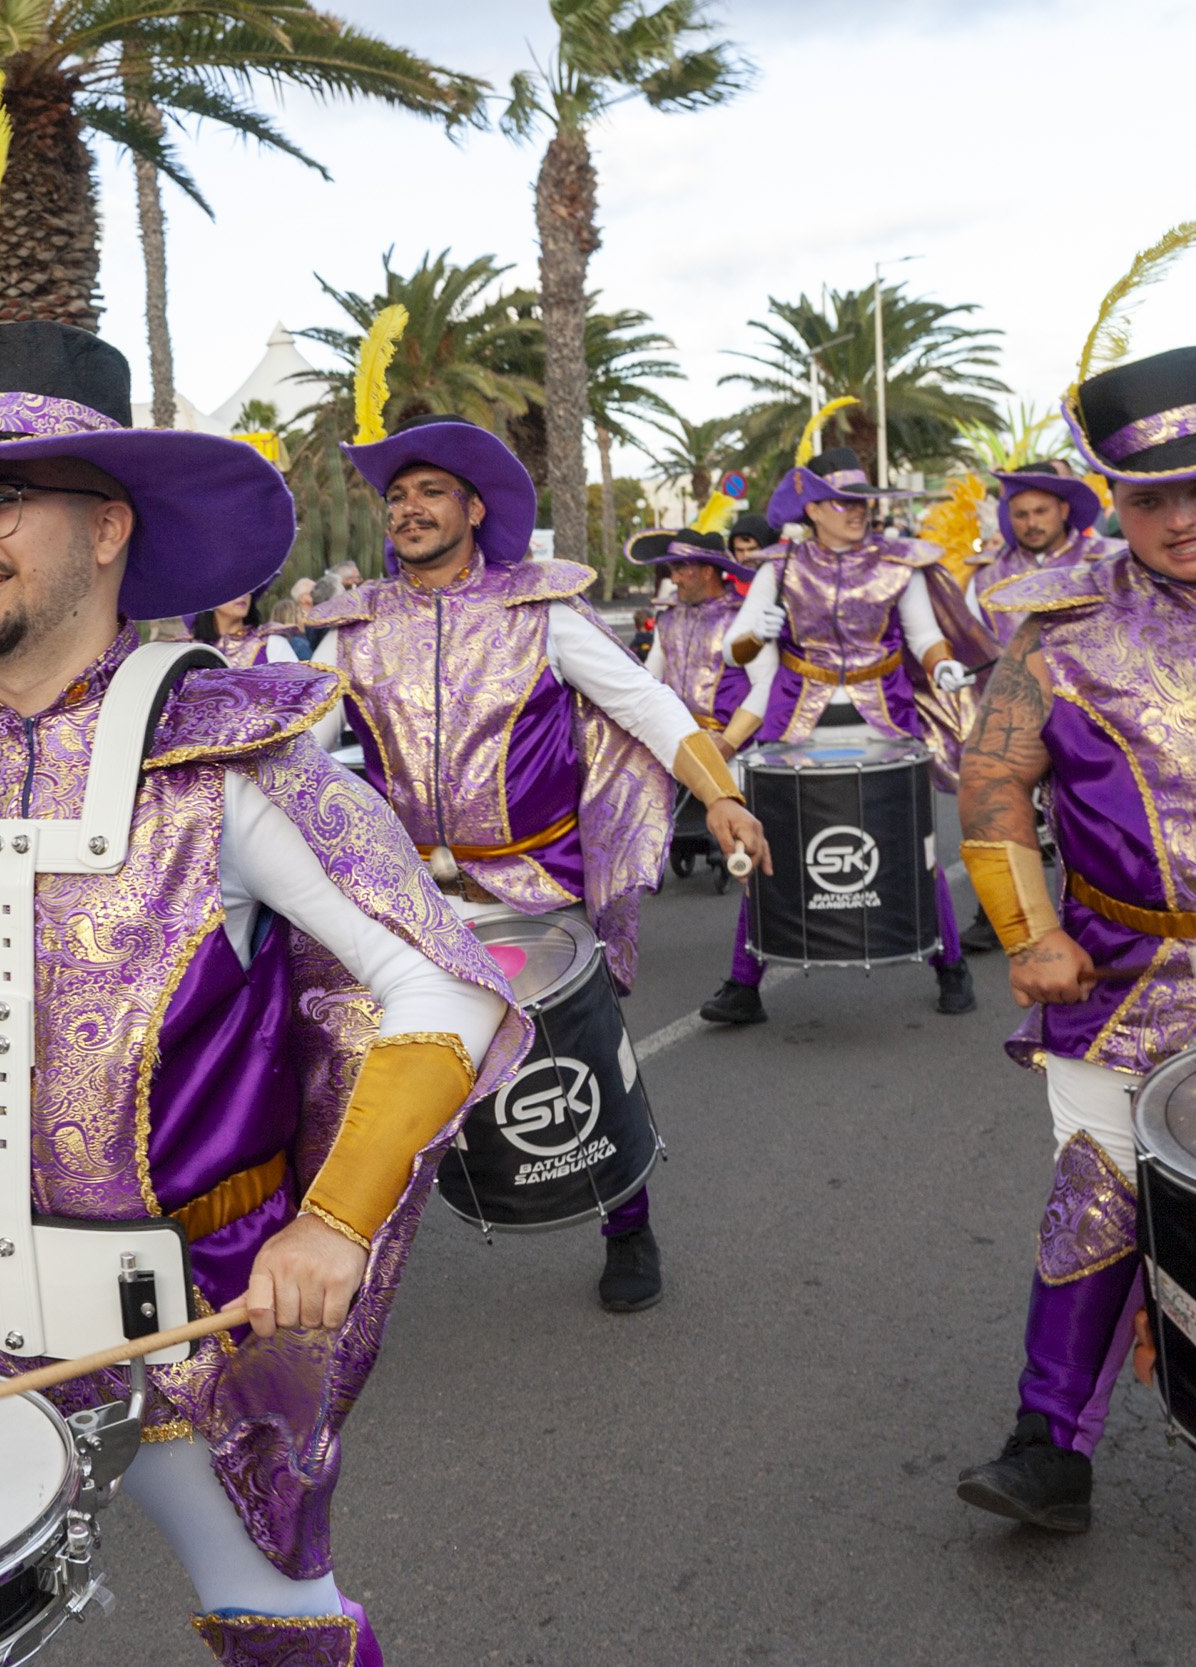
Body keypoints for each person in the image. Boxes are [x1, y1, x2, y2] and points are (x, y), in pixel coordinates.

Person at [0, 305, 532, 1667]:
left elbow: (445, 991)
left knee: (280, 1628)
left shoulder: (227, 749)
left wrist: (337, 1226)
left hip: (194, 1326)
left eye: (2, 498)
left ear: (109, 524)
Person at [305, 395, 768, 1314]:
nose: (409, 509)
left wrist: (720, 792)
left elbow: (644, 704)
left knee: (577, 1052)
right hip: (406, 896)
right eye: (398, 496)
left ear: (474, 509)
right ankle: (347, 1255)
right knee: (367, 1067)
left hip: (533, 883)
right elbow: (298, 742)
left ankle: (627, 1224)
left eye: (431, 492)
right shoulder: (351, 626)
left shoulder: (540, 609)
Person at [951, 339, 1196, 1533]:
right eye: (1154, 496)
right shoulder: (1055, 632)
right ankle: (1048, 1444)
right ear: (1119, 503)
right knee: (1095, 1195)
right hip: (1124, 973)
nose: (1182, 519)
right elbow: (993, 784)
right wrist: (1030, 929)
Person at [699, 415, 980, 1025]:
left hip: (884, 724)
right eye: (842, 502)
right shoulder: (778, 565)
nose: (857, 511)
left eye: (862, 502)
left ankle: (951, 965)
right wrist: (754, 639)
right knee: (769, 845)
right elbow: (737, 649)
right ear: (813, 508)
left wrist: (945, 668)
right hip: (797, 725)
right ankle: (744, 984)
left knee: (913, 846)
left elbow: (927, 636)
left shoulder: (899, 562)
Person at [630, 524, 773, 748]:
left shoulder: (743, 616)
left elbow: (765, 683)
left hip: (734, 751)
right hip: (676, 745)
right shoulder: (668, 617)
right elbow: (651, 678)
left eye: (679, 569)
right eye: (671, 570)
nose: (674, 579)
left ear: (707, 572)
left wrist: (728, 743)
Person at [969, 464, 1121, 646]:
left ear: (1063, 510)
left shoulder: (1112, 560)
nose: (1031, 523)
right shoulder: (987, 578)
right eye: (1021, 515)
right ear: (1009, 517)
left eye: (1041, 511)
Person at [190, 586, 299, 667]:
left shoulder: (271, 642)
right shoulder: (188, 648)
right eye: (231, 585)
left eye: (248, 585)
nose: (243, 593)